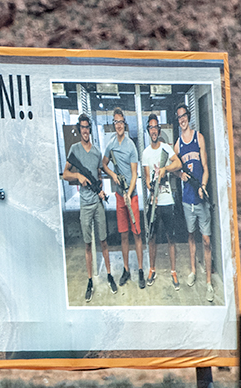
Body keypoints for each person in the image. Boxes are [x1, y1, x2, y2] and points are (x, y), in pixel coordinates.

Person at [61, 113, 117, 298]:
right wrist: (78, 176)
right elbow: (65, 174)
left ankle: (109, 275)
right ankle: (90, 280)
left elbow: (99, 177)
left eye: (87, 127)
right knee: (87, 244)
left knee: (104, 241)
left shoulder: (96, 152)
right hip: (84, 205)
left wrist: (100, 190)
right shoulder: (74, 150)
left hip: (97, 203)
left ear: (90, 130)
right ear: (79, 130)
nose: (85, 130)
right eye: (82, 127)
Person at [101, 107, 145, 290]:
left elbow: (135, 174)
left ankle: (141, 270)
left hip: (131, 196)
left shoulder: (131, 146)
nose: (119, 125)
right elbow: (103, 164)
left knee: (137, 234)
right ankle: (126, 270)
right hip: (119, 196)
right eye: (116, 122)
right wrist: (112, 174)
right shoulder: (111, 144)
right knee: (123, 234)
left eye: (121, 122)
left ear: (125, 124)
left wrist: (129, 193)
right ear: (114, 124)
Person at [175, 104, 215, 302]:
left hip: (201, 197)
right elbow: (173, 166)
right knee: (191, 236)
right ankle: (193, 271)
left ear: (188, 117)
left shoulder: (199, 138)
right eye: (179, 118)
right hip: (187, 201)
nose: (182, 120)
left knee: (206, 241)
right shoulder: (177, 145)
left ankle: (208, 282)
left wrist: (203, 185)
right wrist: (179, 173)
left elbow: (206, 167)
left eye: (184, 116)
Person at [139, 112, 182, 289]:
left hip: (167, 200)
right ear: (148, 131)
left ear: (159, 129)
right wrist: (150, 187)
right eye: (151, 128)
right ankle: (152, 269)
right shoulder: (145, 153)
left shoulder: (166, 148)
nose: (154, 130)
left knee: (171, 238)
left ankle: (173, 271)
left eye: (156, 127)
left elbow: (178, 164)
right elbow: (146, 177)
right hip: (154, 202)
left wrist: (164, 169)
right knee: (152, 238)